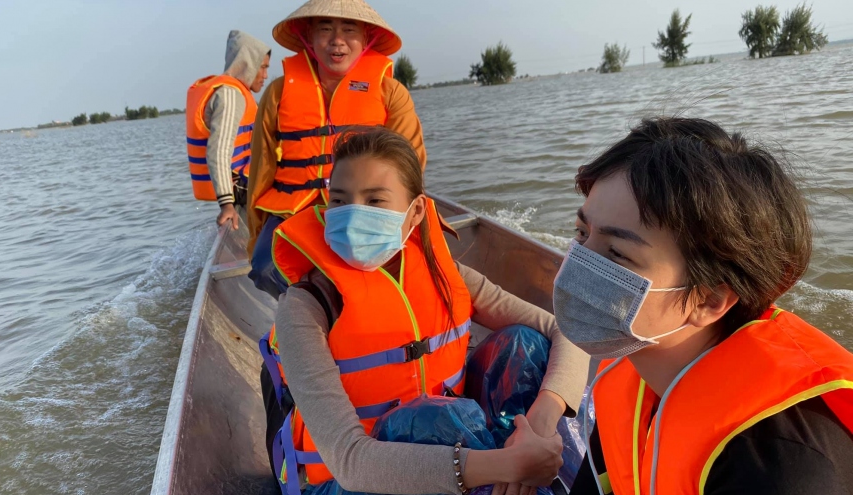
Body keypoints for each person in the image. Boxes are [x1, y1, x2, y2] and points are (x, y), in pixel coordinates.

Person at [262, 127, 590, 495]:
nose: (353, 216)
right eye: (339, 200)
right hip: (350, 481)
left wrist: (543, 418)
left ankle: (533, 474)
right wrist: (502, 465)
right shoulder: (306, 306)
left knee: (524, 345)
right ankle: (521, 478)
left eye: (374, 200)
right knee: (439, 421)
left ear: (416, 211)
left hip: (460, 449)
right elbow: (351, 462)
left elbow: (566, 332)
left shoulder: (444, 275)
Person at [552, 117, 853, 494]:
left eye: (617, 253)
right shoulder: (633, 368)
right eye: (581, 233)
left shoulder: (779, 469)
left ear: (710, 299)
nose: (578, 263)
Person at [245, 0, 427, 297]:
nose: (337, 41)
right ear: (308, 36)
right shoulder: (278, 92)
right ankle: (309, 310)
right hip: (295, 209)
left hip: (365, 207)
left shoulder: (390, 92)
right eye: (325, 29)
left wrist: (401, 222)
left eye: (349, 30)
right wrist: (256, 233)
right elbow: (261, 169)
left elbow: (410, 165)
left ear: (367, 37)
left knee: (401, 267)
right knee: (264, 266)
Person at [186, 30, 271, 230]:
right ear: (247, 64)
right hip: (239, 188)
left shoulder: (233, 92)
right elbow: (218, 151)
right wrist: (227, 205)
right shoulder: (231, 96)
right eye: (263, 67)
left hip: (241, 185)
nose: (266, 75)